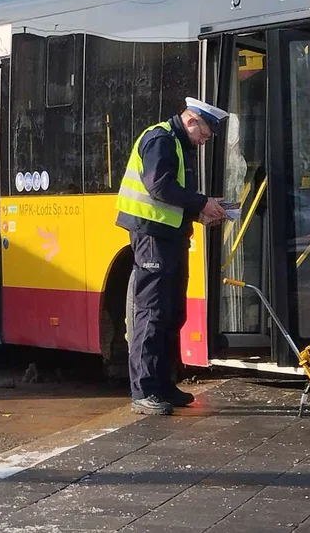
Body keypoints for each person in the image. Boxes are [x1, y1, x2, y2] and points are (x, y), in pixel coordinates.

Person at [115, 97, 228, 415]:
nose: (204, 141)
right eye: (204, 134)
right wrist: (201, 203)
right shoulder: (161, 139)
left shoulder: (179, 144)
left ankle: (164, 385)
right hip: (151, 236)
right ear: (192, 121)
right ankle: (144, 391)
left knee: (170, 312)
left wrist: (200, 209)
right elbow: (160, 188)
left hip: (170, 236)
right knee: (151, 313)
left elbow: (173, 197)